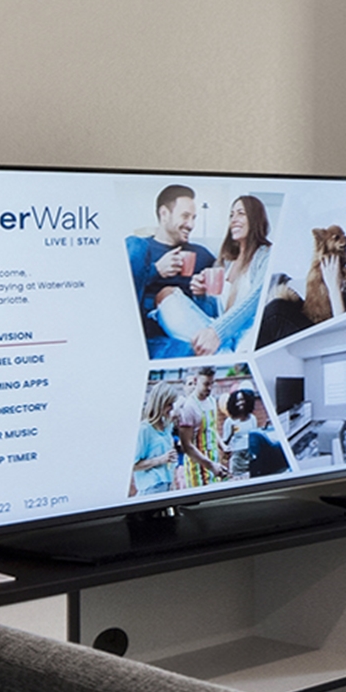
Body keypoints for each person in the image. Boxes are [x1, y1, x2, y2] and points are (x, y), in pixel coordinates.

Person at [190, 193, 292, 358]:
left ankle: (223, 355)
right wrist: (201, 295)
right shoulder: (227, 262)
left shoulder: (266, 255)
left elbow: (254, 299)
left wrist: (217, 332)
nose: (234, 219)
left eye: (241, 213)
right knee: (170, 297)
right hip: (221, 336)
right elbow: (216, 311)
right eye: (231, 215)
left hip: (245, 337)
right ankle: (222, 354)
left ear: (255, 218)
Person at [125, 185, 219, 360]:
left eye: (193, 218)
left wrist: (202, 295)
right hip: (146, 334)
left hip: (188, 337)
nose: (191, 225)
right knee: (134, 244)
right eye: (185, 216)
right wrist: (155, 270)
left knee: (186, 350)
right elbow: (118, 294)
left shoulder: (202, 255)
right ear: (164, 213)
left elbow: (213, 309)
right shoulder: (140, 249)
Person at [125, 382, 184, 497]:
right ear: (160, 404)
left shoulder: (166, 426)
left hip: (167, 486)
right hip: (150, 489)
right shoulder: (144, 430)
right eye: (169, 404)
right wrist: (160, 460)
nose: (171, 408)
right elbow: (133, 465)